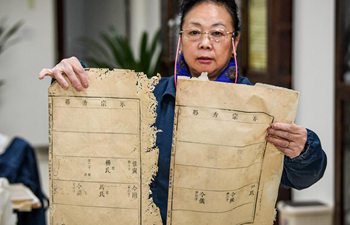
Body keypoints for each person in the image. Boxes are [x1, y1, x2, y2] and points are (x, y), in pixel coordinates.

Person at [39, 0, 327, 224]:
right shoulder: (151, 98)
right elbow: (101, 115)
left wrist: (303, 149)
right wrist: (71, 77)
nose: (205, 42)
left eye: (217, 33)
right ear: (180, 40)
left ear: (234, 42)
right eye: (194, 32)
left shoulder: (261, 110)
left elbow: (302, 177)